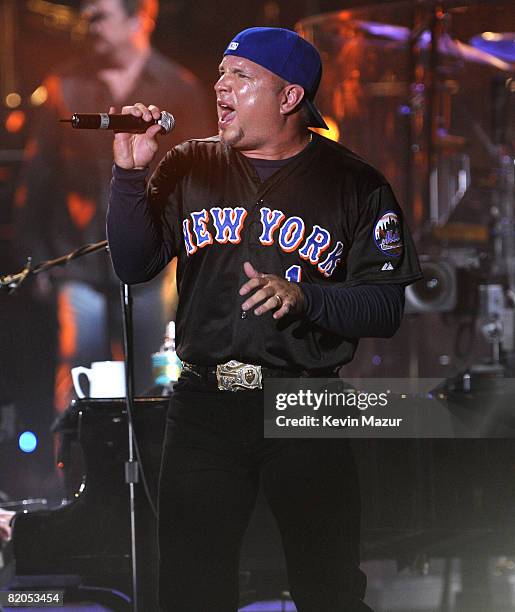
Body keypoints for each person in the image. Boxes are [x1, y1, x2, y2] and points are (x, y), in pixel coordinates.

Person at [107, 27, 422, 612]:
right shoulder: (189, 163)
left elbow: (385, 308)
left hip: (307, 402)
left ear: (289, 97)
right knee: (190, 590)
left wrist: (307, 298)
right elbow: (133, 264)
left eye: (240, 77)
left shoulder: (355, 184)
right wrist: (130, 176)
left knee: (326, 588)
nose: (220, 88)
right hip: (205, 404)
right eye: (221, 75)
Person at [14, 0, 213, 411]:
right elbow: (36, 180)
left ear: (140, 17)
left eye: (100, 15)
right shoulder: (63, 85)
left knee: (156, 383)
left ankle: (149, 473)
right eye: (85, 16)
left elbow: (203, 187)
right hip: (80, 264)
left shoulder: (179, 88)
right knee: (79, 385)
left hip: (154, 271)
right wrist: (35, 259)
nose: (89, 24)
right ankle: (79, 472)